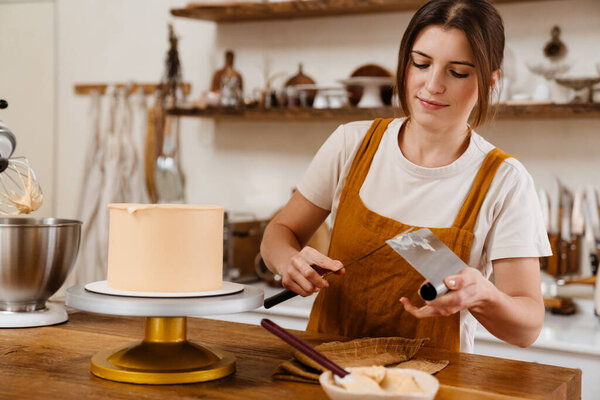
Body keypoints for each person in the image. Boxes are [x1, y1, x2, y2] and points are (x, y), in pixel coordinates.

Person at [260, 0, 551, 353]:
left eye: (457, 72)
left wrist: (484, 295)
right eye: (421, 64)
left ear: (490, 81)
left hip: (435, 386)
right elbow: (279, 232)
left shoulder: (505, 182)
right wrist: (288, 261)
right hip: (327, 375)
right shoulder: (351, 144)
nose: (432, 85)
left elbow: (527, 328)